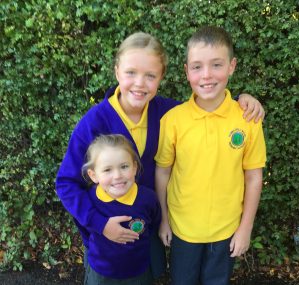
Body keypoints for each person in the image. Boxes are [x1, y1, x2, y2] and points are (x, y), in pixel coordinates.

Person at [55, 31, 265, 280]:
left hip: (147, 234)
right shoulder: (94, 122)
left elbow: (207, 105)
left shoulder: (167, 112)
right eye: (131, 72)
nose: (140, 83)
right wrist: (99, 225)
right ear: (116, 71)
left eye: (150, 76)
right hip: (106, 243)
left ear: (161, 77)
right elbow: (66, 183)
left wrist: (242, 101)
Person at [155, 26, 267, 285]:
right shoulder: (173, 120)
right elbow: (162, 172)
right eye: (197, 67)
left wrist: (245, 228)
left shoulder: (248, 118)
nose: (206, 75)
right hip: (183, 230)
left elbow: (253, 178)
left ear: (232, 66)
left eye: (216, 65)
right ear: (186, 71)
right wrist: (164, 220)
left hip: (226, 231)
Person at [82, 134, 160, 284]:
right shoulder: (89, 200)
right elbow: (84, 227)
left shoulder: (148, 198)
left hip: (138, 271)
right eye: (107, 170)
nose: (117, 176)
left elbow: (153, 224)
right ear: (93, 175)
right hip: (101, 273)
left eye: (124, 167)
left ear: (135, 167)